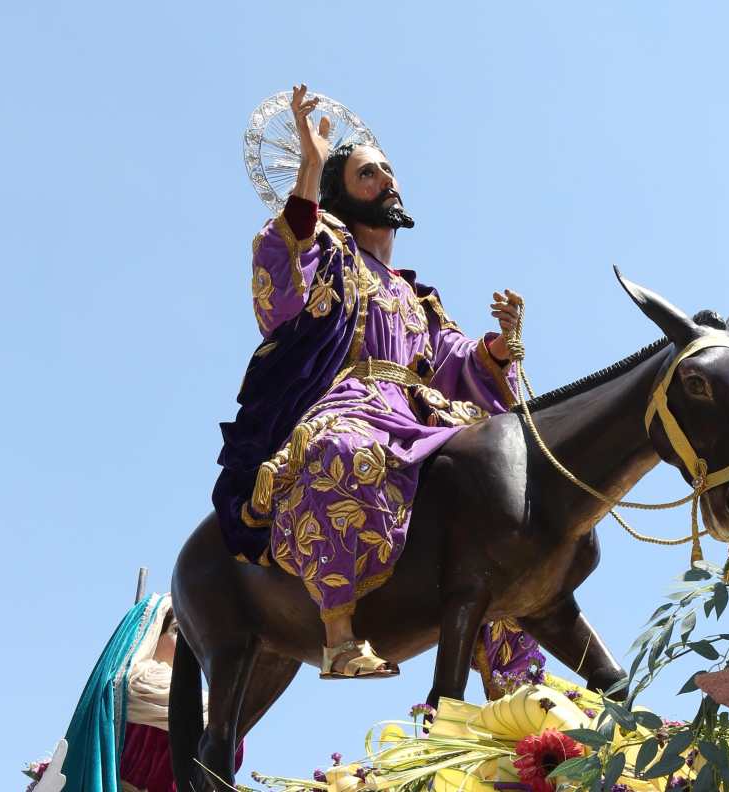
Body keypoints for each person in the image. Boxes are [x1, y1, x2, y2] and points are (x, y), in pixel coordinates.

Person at [212, 85, 542, 682]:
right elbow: (282, 276)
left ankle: (511, 670)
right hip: (352, 402)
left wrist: (498, 346)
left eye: (389, 170)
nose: (387, 180)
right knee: (339, 448)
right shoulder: (330, 253)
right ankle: (339, 636)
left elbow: (452, 361)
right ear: (341, 192)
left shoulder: (415, 295)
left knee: (497, 485)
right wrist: (311, 165)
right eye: (369, 173)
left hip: (418, 414)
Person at [27, 594, 241, 792]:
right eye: (178, 631)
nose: (189, 644)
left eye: (193, 634)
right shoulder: (135, 684)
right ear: (153, 632)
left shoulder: (200, 703)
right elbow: (225, 728)